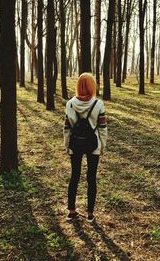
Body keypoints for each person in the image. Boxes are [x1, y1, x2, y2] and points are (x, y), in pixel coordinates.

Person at [63, 73, 107, 222]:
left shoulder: (70, 104)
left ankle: (71, 211)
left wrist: (67, 145)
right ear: (92, 85)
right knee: (91, 178)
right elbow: (102, 128)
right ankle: (90, 214)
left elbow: (67, 128)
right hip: (93, 144)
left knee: (74, 176)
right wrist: (102, 145)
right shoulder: (99, 104)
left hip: (75, 144)